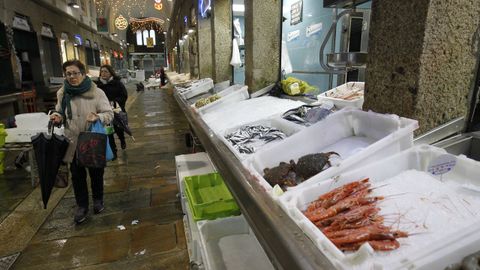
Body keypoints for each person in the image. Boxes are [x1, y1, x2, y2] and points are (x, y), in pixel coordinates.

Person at [50, 60, 113, 224]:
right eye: (68, 74)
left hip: (91, 140)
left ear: (83, 74)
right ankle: (82, 206)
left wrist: (98, 116)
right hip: (72, 141)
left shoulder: (97, 92)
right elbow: (60, 111)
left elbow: (109, 113)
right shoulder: (62, 93)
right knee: (77, 176)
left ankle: (98, 199)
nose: (72, 77)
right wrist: (57, 117)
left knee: (96, 173)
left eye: (75, 73)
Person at [95, 65, 128, 159]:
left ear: (111, 73)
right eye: (102, 71)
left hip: (116, 111)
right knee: (108, 133)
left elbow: (124, 95)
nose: (103, 73)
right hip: (105, 113)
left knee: (119, 129)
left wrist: (114, 102)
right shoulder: (97, 85)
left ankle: (122, 140)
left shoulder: (117, 83)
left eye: (106, 71)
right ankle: (114, 152)